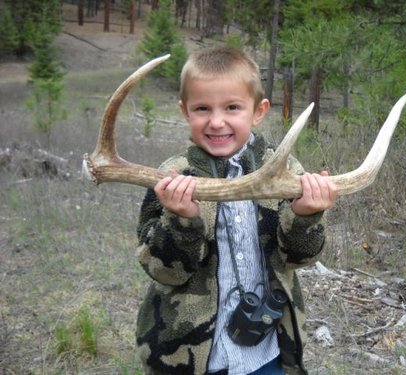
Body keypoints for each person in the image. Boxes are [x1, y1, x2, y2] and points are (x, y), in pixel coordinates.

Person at [135, 46, 337, 375]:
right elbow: (164, 273)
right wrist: (181, 222)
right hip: (191, 357)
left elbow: (299, 258)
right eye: (202, 108)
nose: (217, 122)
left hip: (266, 350)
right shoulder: (171, 178)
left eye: (232, 107)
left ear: (259, 111)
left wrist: (304, 216)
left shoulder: (284, 171)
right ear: (185, 111)